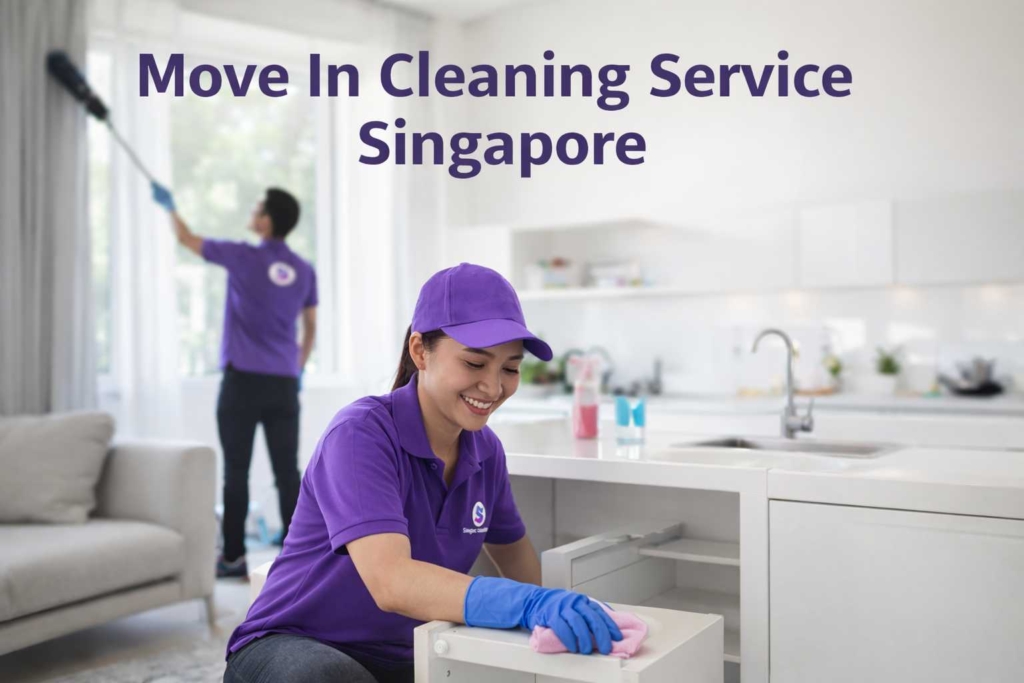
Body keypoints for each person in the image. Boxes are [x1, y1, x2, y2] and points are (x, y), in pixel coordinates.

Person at [221, 263, 622, 683]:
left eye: (510, 368)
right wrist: (524, 604)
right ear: (419, 351)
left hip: (408, 655)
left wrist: (564, 613)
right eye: (474, 363)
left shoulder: (486, 452)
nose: (493, 387)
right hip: (296, 646)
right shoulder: (360, 434)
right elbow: (392, 582)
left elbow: (518, 559)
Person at [152, 182, 318, 579]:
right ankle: (298, 561)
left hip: (242, 383)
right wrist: (297, 369)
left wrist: (170, 208)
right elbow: (310, 327)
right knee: (287, 473)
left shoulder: (242, 256)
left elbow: (187, 239)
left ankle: (233, 558)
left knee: (236, 472)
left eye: (258, 208)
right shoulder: (303, 270)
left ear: (267, 221)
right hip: (283, 384)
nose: (252, 212)